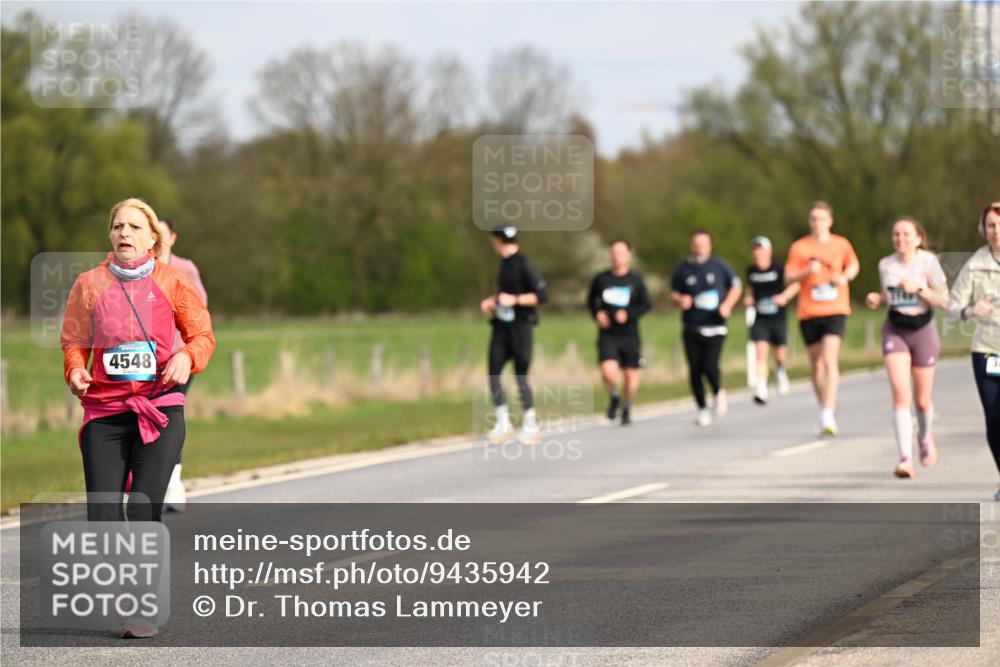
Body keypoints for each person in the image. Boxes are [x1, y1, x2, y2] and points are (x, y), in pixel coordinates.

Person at [61, 198, 214, 637]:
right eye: (117, 226)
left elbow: (202, 335)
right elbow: (73, 340)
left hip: (160, 408)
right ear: (110, 235)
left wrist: (187, 357)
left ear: (152, 237)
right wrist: (74, 369)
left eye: (133, 226)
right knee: (104, 513)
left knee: (144, 509)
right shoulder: (89, 285)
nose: (124, 233)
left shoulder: (174, 281)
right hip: (105, 411)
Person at [864, 218, 949, 479]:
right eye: (895, 234)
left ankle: (924, 437)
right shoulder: (885, 265)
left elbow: (945, 299)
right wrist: (877, 299)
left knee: (922, 401)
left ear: (918, 238)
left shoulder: (928, 262)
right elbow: (888, 298)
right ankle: (905, 459)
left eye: (905, 234)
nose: (900, 238)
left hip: (923, 331)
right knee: (901, 396)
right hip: (896, 330)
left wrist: (920, 289)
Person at [785, 201, 860, 436]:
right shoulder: (799, 247)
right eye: (814, 219)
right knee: (816, 365)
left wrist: (845, 277)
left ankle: (829, 413)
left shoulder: (841, 244)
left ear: (830, 221)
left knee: (829, 359)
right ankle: (823, 408)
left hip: (835, 308)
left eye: (821, 218)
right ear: (810, 222)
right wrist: (807, 271)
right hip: (809, 311)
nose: (817, 223)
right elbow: (787, 278)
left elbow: (854, 265)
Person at [947, 201, 1000, 501]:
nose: (996, 231)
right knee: (994, 418)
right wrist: (971, 310)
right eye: (991, 225)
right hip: (988, 350)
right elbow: (953, 308)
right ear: (984, 229)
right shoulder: (975, 264)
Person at [156, 218, 208, 512]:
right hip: (146, 361)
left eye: (162, 234)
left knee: (170, 414)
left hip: (179, 358)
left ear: (172, 237)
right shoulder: (140, 269)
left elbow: (199, 310)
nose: (158, 239)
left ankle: (173, 481)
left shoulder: (185, 269)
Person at [479, 225, 548, 444]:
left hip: (521, 327)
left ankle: (530, 424)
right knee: (493, 373)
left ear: (497, 240)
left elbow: (542, 296)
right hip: (501, 326)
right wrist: (494, 301)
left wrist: (515, 300)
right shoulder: (504, 264)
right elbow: (505, 294)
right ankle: (503, 422)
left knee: (520, 376)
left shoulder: (524, 264)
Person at [671, 230, 742, 426]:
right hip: (692, 325)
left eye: (703, 243)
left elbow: (736, 286)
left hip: (715, 326)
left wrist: (727, 305)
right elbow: (674, 292)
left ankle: (718, 390)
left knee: (710, 366)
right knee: (695, 369)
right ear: (692, 245)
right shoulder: (684, 268)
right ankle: (702, 408)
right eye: (696, 244)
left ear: (709, 245)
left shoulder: (720, 266)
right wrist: (681, 299)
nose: (699, 247)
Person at [587, 240, 652, 426]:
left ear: (628, 255)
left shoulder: (635, 280)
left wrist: (629, 314)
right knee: (607, 371)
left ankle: (627, 405)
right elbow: (591, 302)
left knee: (630, 374)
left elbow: (646, 305)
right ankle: (614, 396)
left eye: (620, 252)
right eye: (614, 252)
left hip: (630, 334)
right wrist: (597, 314)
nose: (616, 256)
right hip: (608, 333)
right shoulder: (601, 279)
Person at [744, 236, 799, 404]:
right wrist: (748, 299)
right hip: (761, 318)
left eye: (761, 249)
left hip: (777, 317)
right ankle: (761, 387)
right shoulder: (751, 271)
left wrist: (784, 296)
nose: (758, 253)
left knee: (780, 354)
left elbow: (796, 284)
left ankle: (780, 371)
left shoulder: (780, 269)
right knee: (760, 353)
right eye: (756, 250)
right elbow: (749, 291)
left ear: (769, 252)